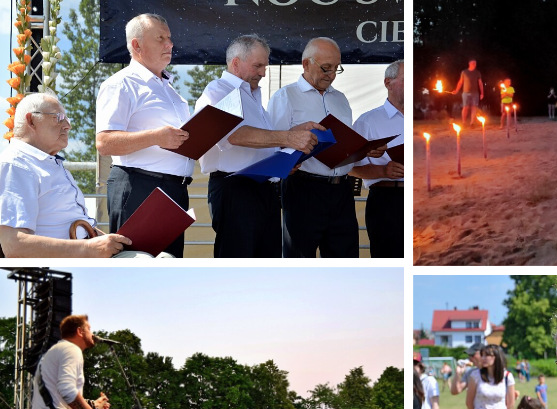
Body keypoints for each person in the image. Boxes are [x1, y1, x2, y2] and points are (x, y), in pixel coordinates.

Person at [196, 34, 321, 258]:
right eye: (258, 65)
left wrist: (285, 152)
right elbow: (232, 135)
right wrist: (287, 138)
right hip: (235, 190)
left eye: (265, 65)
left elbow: (260, 142)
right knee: (238, 261)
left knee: (267, 261)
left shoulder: (253, 96)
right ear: (235, 63)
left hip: (263, 190)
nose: (263, 72)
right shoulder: (218, 91)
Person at [268, 37, 383, 258]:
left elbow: (344, 144)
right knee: (300, 258)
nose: (330, 74)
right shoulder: (285, 96)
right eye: (325, 68)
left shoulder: (341, 99)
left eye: (335, 69)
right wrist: (291, 149)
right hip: (303, 188)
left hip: (341, 190)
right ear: (305, 64)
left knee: (346, 257)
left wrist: (364, 149)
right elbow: (273, 145)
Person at [95, 13, 194, 257]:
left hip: (174, 191)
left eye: (169, 38)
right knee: (135, 268)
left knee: (167, 271)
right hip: (140, 188)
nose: (169, 44)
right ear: (136, 45)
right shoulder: (121, 84)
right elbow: (104, 142)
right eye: (160, 38)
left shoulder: (171, 90)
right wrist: (155, 137)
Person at [0, 94, 133, 257]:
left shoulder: (45, 162)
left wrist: (112, 242)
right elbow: (14, 246)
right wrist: (89, 249)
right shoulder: (16, 165)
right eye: (59, 118)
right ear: (31, 120)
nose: (68, 125)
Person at [348, 60, 404, 258]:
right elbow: (350, 167)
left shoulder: (425, 118)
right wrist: (383, 171)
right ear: (388, 83)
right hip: (387, 201)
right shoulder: (368, 121)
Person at [451, 59, 484, 128]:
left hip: (475, 93)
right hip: (465, 93)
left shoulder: (477, 72)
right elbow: (460, 82)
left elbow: (480, 83)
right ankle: (464, 122)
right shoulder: (464, 72)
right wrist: (456, 90)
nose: (474, 65)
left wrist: (482, 93)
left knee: (474, 107)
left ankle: (472, 123)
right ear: (469, 64)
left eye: (475, 63)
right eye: (473, 63)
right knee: (465, 107)